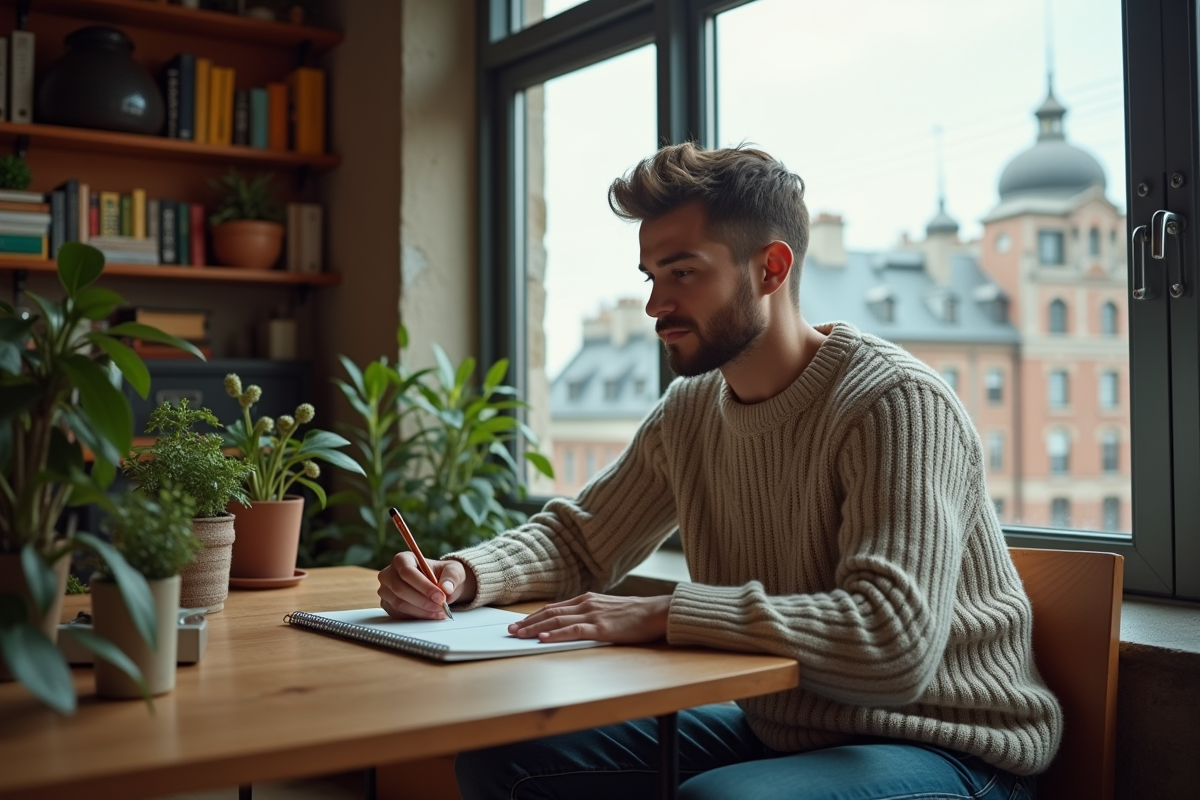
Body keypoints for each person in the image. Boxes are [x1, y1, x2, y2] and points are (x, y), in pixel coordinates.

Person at [377, 142, 1062, 800]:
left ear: (770, 268)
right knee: (508, 760)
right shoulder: (692, 409)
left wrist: (663, 612)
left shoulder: (894, 402)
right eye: (651, 278)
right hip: (782, 727)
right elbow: (582, 539)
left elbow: (892, 641)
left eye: (683, 273)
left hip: (951, 748)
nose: (654, 307)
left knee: (723, 798)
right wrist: (463, 574)